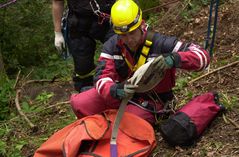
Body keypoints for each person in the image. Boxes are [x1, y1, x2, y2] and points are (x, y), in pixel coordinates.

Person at [70, 0, 210, 124]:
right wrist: (114, 90)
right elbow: (101, 78)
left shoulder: (160, 43)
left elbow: (202, 57)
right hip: (121, 96)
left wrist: (175, 58)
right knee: (80, 103)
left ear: (142, 25)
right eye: (123, 35)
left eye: (132, 33)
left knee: (126, 121)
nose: (129, 39)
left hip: (152, 100)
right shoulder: (112, 45)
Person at [52, 0, 115, 92]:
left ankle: (117, 88)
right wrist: (57, 33)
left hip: (107, 16)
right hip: (78, 20)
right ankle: (86, 92)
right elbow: (57, 2)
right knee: (82, 65)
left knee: (117, 53)